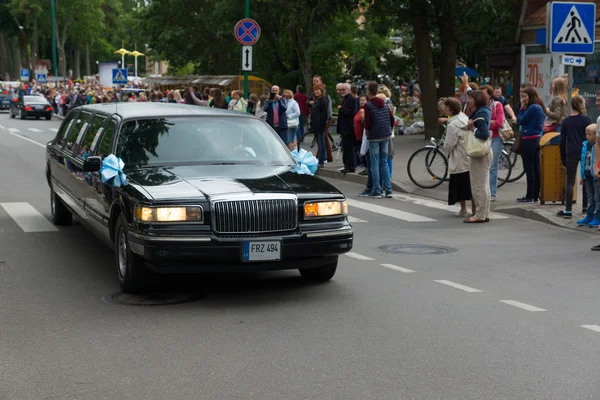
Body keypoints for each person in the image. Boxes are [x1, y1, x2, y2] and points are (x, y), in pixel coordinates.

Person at [558, 95, 592, 219]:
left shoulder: (566, 121)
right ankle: (585, 207)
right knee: (586, 178)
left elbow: (562, 141)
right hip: (584, 151)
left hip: (571, 152)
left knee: (570, 181)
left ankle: (568, 210)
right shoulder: (586, 120)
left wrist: (563, 158)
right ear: (581, 105)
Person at [442, 97, 474, 218]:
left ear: (450, 109)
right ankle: (474, 209)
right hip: (468, 154)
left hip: (458, 156)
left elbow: (449, 143)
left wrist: (446, 149)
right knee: (470, 184)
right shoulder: (464, 117)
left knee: (460, 184)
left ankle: (463, 209)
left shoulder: (452, 124)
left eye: (445, 107)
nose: (444, 109)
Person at [464, 90, 492, 223]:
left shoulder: (480, 114)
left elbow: (484, 134)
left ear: (477, 99)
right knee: (484, 184)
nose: (468, 101)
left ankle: (479, 215)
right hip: (484, 152)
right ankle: (484, 213)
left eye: (470, 98)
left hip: (479, 152)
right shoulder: (484, 110)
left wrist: (472, 128)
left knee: (478, 185)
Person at [363, 81, 394, 199]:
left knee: (374, 163)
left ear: (369, 91)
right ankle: (388, 189)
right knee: (384, 162)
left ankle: (377, 190)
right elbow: (391, 118)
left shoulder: (368, 105)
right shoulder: (384, 103)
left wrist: (367, 131)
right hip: (386, 134)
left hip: (374, 136)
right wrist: (388, 129)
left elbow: (367, 122)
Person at [517, 87, 546, 203]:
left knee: (529, 169)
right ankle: (535, 195)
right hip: (536, 138)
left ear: (530, 96)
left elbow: (521, 120)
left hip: (528, 139)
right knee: (535, 168)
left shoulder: (532, 107)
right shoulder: (539, 107)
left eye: (525, 97)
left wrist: (521, 108)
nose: (523, 99)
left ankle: (530, 196)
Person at [481, 85, 505, 201]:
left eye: (483, 93)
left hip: (495, 138)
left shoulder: (497, 105)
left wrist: (486, 124)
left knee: (493, 165)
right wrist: (490, 122)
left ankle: (492, 193)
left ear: (489, 95)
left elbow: (499, 122)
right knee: (483, 165)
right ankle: (483, 191)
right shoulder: (481, 107)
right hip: (484, 138)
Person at [577, 125, 600, 230]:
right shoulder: (585, 145)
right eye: (586, 134)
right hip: (587, 175)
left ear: (596, 135)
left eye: (589, 134)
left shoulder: (597, 147)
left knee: (597, 197)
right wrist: (582, 176)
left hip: (595, 176)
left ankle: (597, 216)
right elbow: (583, 161)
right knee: (590, 197)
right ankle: (589, 215)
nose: (587, 136)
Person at [336, 83, 359, 173]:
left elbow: (352, 112)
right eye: (340, 90)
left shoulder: (352, 99)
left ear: (349, 90)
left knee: (348, 148)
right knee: (345, 148)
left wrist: (341, 109)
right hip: (345, 128)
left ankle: (350, 166)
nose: (341, 92)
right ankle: (347, 165)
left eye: (343, 90)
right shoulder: (345, 99)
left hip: (349, 128)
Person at [310, 85, 329, 167]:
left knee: (321, 144)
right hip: (315, 125)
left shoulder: (323, 100)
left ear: (321, 91)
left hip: (320, 126)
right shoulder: (317, 100)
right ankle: (320, 160)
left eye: (317, 90)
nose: (316, 92)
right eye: (315, 90)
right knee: (320, 144)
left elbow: (324, 114)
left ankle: (321, 161)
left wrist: (320, 124)